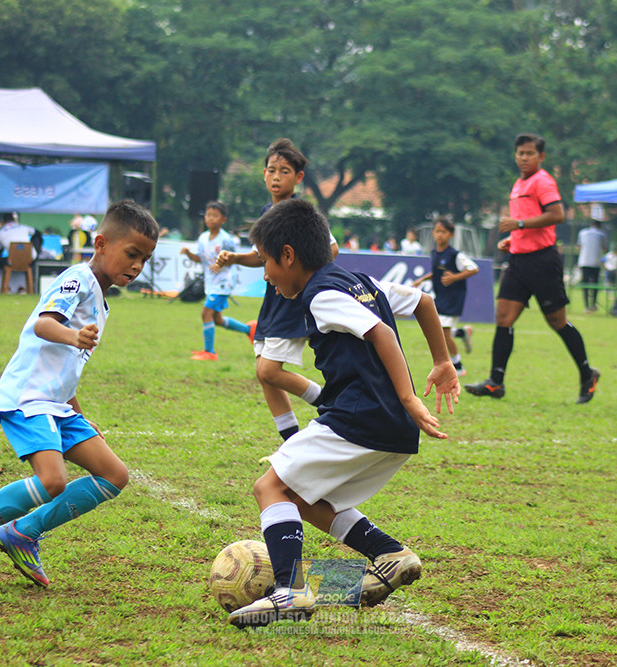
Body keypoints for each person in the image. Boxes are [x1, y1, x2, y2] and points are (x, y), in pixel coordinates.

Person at [227, 198, 460, 628]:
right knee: (301, 495)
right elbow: (424, 302)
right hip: (390, 427)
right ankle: (389, 554)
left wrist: (410, 397)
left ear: (289, 255)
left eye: (266, 262)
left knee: (270, 488)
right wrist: (442, 361)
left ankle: (289, 591)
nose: (265, 274)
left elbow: (383, 333)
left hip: (361, 417)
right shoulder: (359, 280)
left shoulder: (320, 296)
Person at [0, 200, 160, 590]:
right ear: (100, 243)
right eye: (132, 254)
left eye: (144, 259)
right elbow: (45, 326)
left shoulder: (102, 299)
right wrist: (74, 334)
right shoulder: (75, 280)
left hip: (57, 405)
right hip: (27, 398)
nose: (137, 266)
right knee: (53, 480)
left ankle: (23, 532)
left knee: (114, 475)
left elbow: (66, 365)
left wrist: (77, 410)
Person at [216, 138, 339, 442]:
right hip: (272, 301)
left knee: (269, 371)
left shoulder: (300, 212)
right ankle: (290, 442)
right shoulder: (266, 212)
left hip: (291, 301)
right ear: (263, 173)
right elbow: (263, 258)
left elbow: (331, 248)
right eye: (272, 170)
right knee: (265, 375)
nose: (276, 176)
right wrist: (234, 259)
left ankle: (330, 403)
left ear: (298, 178)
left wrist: (300, 276)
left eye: (284, 171)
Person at [465, 133, 599, 404]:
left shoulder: (543, 181)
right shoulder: (518, 184)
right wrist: (513, 238)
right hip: (518, 261)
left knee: (556, 321)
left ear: (541, 157)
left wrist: (519, 226)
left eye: (529, 154)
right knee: (504, 318)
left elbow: (557, 215)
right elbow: (525, 221)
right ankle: (495, 382)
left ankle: (588, 374)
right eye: (520, 153)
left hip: (542, 262)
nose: (524, 158)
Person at [179, 201, 253, 360]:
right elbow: (201, 259)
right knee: (217, 319)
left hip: (223, 281)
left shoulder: (226, 240)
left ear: (223, 220)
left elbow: (233, 259)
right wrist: (188, 254)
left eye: (215, 215)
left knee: (206, 313)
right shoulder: (203, 238)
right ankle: (249, 330)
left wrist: (221, 264)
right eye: (208, 215)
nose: (210, 218)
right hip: (211, 282)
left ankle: (210, 352)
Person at [412, 216, 478, 376]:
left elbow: (474, 269)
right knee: (439, 330)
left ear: (451, 235)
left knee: (443, 333)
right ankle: (462, 333)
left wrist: (454, 277)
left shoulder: (455, 255)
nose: (440, 235)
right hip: (441, 297)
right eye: (437, 231)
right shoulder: (434, 253)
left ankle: (459, 366)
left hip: (454, 298)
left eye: (443, 232)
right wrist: (421, 279)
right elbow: (437, 272)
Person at [576, 220, 608, 312]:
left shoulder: (582, 233)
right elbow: (605, 249)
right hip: (596, 262)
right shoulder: (602, 234)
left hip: (584, 261)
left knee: (585, 284)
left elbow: (579, 246)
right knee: (595, 285)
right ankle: (593, 304)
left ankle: (586, 306)